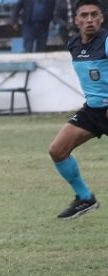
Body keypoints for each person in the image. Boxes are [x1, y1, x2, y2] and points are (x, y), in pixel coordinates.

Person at [48, 0, 105, 219]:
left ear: (101, 18)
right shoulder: (74, 44)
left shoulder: (106, 42)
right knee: (57, 150)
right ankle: (85, 198)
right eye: (84, 15)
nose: (89, 19)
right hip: (92, 111)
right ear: (76, 20)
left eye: (94, 15)